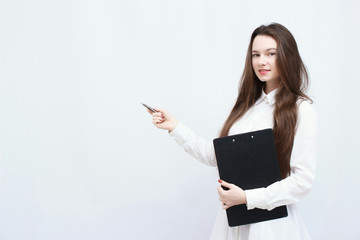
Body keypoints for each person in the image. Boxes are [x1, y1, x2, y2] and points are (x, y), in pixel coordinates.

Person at [148, 23, 317, 240]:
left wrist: (248, 198)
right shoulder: (245, 106)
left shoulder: (301, 109)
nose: (261, 61)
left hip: (272, 228)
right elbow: (217, 155)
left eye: (270, 54)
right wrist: (175, 127)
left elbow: (302, 181)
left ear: (287, 57)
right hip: (232, 224)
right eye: (255, 54)